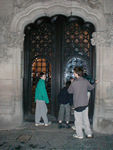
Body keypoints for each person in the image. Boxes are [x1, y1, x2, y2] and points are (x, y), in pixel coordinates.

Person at [68, 67, 98, 139]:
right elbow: (91, 88)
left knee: (78, 121)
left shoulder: (74, 82)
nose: (74, 73)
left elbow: (69, 91)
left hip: (77, 104)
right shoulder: (85, 81)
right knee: (86, 119)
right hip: (85, 103)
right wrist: (95, 83)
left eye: (74, 72)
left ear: (76, 73)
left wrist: (71, 83)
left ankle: (80, 135)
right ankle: (89, 134)